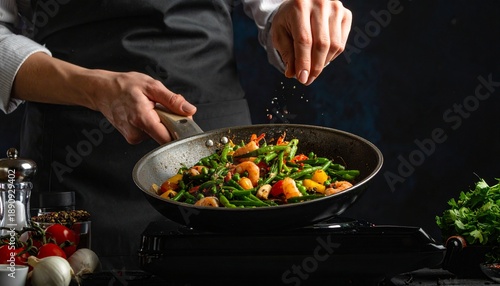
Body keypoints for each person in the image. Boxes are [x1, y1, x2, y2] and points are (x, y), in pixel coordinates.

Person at [0, 0, 352, 268]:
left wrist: (296, 14)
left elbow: (276, 9)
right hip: (75, 155)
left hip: (214, 139)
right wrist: (93, 88)